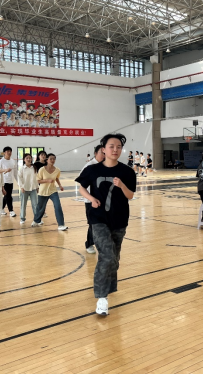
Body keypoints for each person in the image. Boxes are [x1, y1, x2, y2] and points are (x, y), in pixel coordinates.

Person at [75, 133, 137, 316]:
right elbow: (81, 187)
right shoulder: (92, 170)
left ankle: (108, 288)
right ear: (103, 149)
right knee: (107, 255)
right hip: (98, 218)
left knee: (114, 259)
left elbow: (130, 195)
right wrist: (91, 198)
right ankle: (102, 298)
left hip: (119, 219)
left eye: (118, 147)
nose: (115, 150)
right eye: (111, 146)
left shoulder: (127, 172)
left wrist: (122, 186)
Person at [32, 154, 68, 231]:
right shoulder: (42, 169)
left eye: (54, 159)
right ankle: (36, 220)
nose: (52, 160)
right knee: (40, 208)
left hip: (53, 191)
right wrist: (47, 180)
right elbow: (38, 180)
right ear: (47, 160)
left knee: (58, 206)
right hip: (43, 191)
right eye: (51, 159)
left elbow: (57, 178)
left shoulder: (57, 170)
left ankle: (61, 225)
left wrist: (60, 185)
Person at [80, 145, 105, 254]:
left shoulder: (105, 166)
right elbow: (82, 185)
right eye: (101, 153)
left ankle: (101, 242)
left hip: (103, 199)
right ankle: (89, 244)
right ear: (95, 153)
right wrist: (91, 198)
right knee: (93, 224)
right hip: (91, 201)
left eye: (105, 153)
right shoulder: (89, 166)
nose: (104, 155)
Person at [18, 153, 38, 225]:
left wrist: (37, 187)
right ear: (24, 159)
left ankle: (37, 219)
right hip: (24, 189)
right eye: (27, 158)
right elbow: (19, 178)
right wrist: (21, 187)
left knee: (35, 204)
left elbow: (36, 178)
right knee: (23, 204)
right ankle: (22, 218)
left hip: (33, 189)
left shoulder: (34, 168)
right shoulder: (22, 169)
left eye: (30, 158)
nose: (29, 159)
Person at [0, 146, 18, 218]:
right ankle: (11, 210)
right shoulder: (1, 162)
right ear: (4, 153)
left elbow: (15, 172)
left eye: (10, 151)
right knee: (8, 196)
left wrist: (18, 181)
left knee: (7, 196)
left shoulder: (13, 161)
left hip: (10, 181)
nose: (9, 153)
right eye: (7, 151)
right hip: (4, 181)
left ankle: (1, 209)